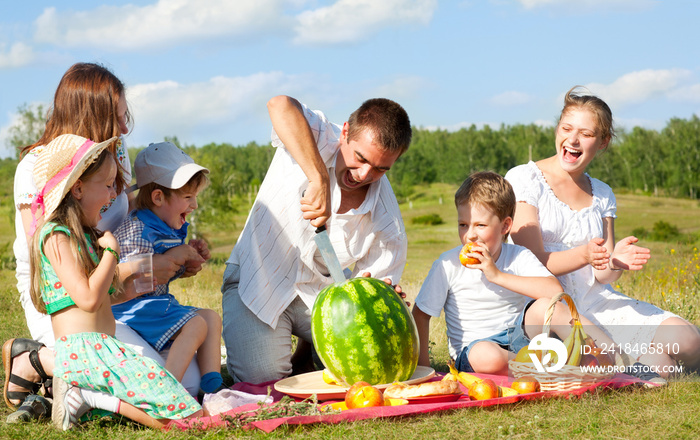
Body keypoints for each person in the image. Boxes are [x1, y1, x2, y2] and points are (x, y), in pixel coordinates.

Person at [4, 63, 200, 423]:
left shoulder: (114, 154)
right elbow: (52, 259)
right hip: (64, 301)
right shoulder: (37, 167)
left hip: (113, 290)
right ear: (89, 116)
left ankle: (57, 387)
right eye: (117, 117)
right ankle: (38, 361)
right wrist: (122, 270)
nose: (125, 128)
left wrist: (168, 250)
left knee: (189, 380)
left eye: (126, 116)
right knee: (159, 386)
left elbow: (125, 214)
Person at [505, 86, 700, 377]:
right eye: (566, 128)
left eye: (585, 134)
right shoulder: (525, 178)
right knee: (659, 363)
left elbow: (602, 274)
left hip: (597, 300)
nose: (572, 140)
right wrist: (584, 254)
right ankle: (637, 369)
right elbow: (531, 263)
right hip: (547, 307)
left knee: (690, 340)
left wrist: (614, 262)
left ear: (604, 141)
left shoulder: (603, 193)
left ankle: (639, 371)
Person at [221, 95, 412, 383]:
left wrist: (380, 295)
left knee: (368, 366)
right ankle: (307, 349)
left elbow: (369, 301)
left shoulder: (388, 224)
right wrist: (318, 178)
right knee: (264, 379)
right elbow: (280, 105)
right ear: (345, 131)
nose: (364, 175)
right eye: (360, 158)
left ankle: (309, 347)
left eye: (381, 169)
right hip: (256, 282)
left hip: (321, 296)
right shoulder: (321, 134)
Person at [29, 133, 204, 430]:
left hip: (105, 348)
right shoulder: (56, 236)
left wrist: (156, 274)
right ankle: (85, 393)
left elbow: (108, 296)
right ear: (79, 188)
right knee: (180, 421)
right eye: (109, 186)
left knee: (188, 409)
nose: (114, 196)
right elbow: (87, 299)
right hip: (85, 353)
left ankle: (88, 399)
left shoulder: (85, 237)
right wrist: (111, 252)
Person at [412, 171, 563, 375]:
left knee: (547, 306)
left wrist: (497, 275)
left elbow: (555, 291)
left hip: (519, 340)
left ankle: (604, 354)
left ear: (505, 226)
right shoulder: (448, 264)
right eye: (463, 225)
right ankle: (551, 367)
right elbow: (421, 315)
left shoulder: (518, 255)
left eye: (480, 225)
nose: (470, 235)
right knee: (486, 356)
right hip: (475, 352)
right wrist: (424, 370)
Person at [112, 141, 223, 394]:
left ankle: (212, 386)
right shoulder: (138, 229)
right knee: (196, 324)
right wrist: (174, 256)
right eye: (187, 197)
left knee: (210, 318)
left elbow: (164, 270)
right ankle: (167, 391)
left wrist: (187, 263)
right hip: (133, 310)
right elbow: (128, 282)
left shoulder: (166, 224)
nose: (194, 205)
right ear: (158, 197)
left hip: (153, 306)